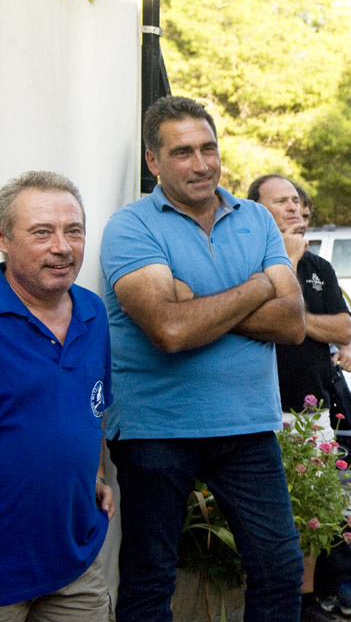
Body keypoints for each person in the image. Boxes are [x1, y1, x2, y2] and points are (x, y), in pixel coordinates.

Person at [99, 96, 306, 622]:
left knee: (280, 570)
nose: (201, 164)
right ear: (153, 161)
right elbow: (169, 331)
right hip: (155, 429)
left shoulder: (255, 217)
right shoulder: (130, 227)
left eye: (208, 148)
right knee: (150, 582)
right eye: (182, 152)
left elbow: (292, 323)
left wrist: (196, 303)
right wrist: (258, 286)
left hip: (247, 426)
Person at [247, 175, 351, 620]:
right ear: (257, 210)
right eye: (282, 201)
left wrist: (300, 319)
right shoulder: (249, 263)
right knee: (273, 515)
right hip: (261, 410)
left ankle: (305, 599)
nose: (294, 209)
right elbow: (268, 321)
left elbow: (342, 327)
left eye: (297, 202)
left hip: (312, 410)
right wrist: (288, 266)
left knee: (313, 510)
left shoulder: (319, 267)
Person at [0, 171, 115, 619]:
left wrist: (98, 474)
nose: (63, 247)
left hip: (74, 561)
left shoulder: (93, 312)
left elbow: (92, 407)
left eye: (74, 231)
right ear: (4, 240)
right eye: (42, 232)